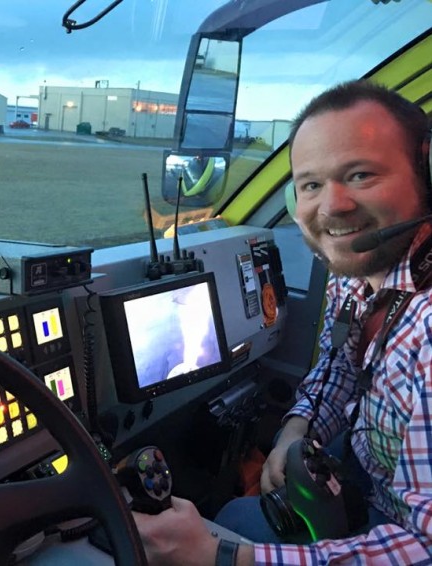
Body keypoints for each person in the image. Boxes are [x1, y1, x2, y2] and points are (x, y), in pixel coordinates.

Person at [133, 79, 432, 564]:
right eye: (311, 185)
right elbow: (341, 369)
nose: (332, 206)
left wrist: (225, 558)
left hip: (399, 525)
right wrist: (298, 427)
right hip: (368, 472)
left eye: (360, 175)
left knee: (233, 522)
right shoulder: (358, 270)